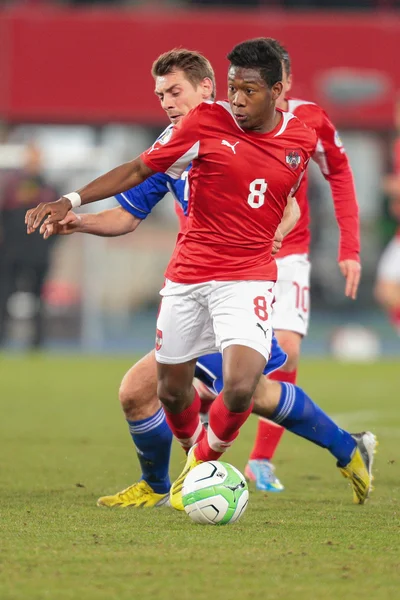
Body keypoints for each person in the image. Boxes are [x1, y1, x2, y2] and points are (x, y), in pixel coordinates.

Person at [26, 39, 376, 510]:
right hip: (192, 280)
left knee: (167, 389)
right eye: (160, 96)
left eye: (174, 92)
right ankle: (345, 447)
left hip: (242, 278)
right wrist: (79, 218)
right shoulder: (174, 145)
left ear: (207, 88)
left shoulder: (262, 127)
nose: (167, 103)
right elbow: (128, 215)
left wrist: (279, 232)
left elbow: (290, 196)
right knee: (244, 391)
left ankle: (186, 472)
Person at [244, 39, 362, 492]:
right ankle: (198, 448)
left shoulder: (311, 119)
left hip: (289, 253)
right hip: (235, 253)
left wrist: (349, 246)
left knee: (286, 347)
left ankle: (261, 460)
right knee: (218, 369)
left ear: (286, 81)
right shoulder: (227, 118)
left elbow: (340, 172)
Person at [0, 143, 58, 349]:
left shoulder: (49, 188)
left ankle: (37, 343)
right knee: (4, 296)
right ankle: (3, 340)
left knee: (38, 300)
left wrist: (47, 244)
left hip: (38, 254)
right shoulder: (11, 186)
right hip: (11, 253)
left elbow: (59, 221)